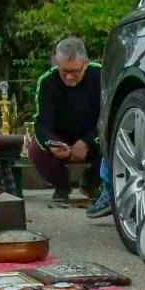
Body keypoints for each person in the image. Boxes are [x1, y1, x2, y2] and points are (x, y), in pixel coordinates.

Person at [28, 37, 109, 216]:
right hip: (61, 138)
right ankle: (61, 186)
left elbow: (108, 117)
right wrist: (52, 143)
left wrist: (87, 142)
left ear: (86, 63)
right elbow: (41, 123)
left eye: (74, 71)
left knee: (113, 142)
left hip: (95, 136)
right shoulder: (47, 82)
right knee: (35, 149)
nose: (69, 76)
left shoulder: (102, 76)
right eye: (63, 71)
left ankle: (92, 182)